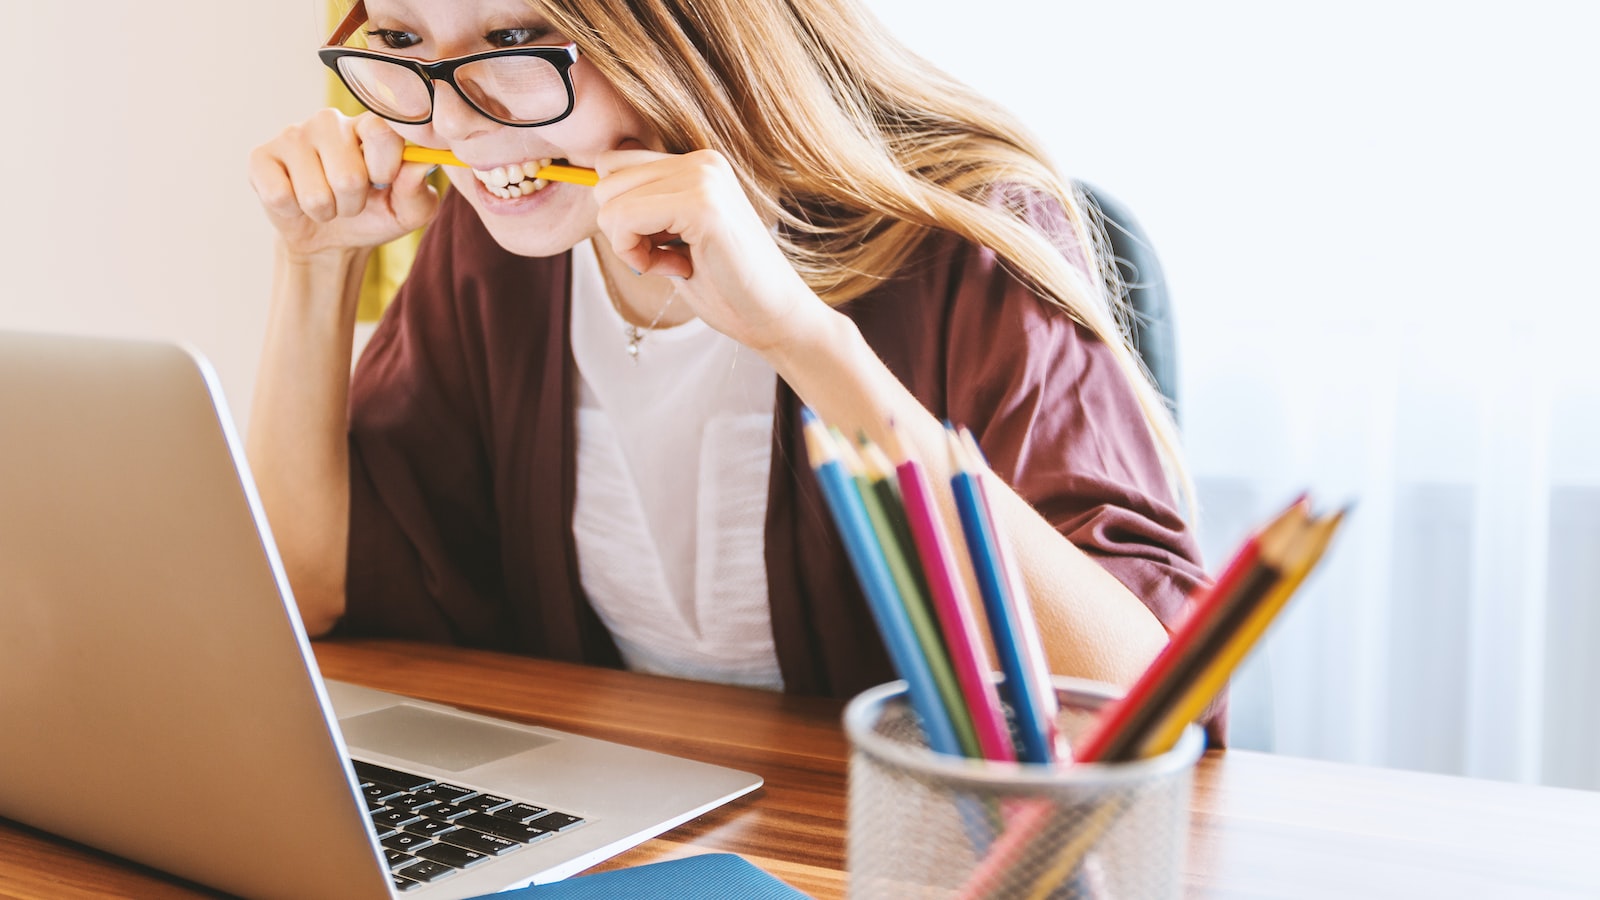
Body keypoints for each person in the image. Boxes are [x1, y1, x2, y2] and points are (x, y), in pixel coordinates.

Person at [246, 0, 1211, 724]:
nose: (453, 124)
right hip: (629, 832)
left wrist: (801, 338)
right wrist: (314, 265)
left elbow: (1141, 702)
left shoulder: (966, 237)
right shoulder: (497, 244)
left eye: (514, 38)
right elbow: (309, 589)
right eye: (402, 39)